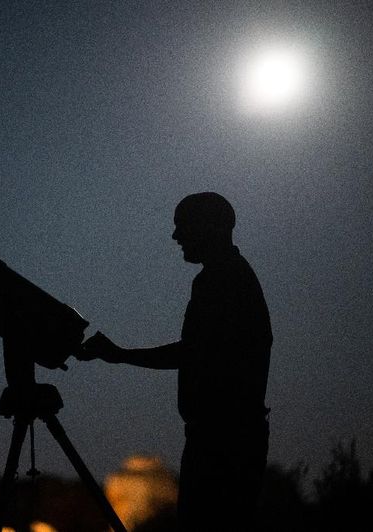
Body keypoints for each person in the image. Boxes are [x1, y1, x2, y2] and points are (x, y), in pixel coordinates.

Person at [79, 192, 272, 531]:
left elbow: (194, 353)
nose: (176, 236)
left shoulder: (223, 280)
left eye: (183, 226)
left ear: (209, 227)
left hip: (223, 444)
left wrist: (120, 355)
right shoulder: (225, 277)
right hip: (225, 439)